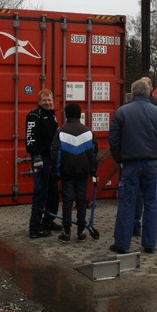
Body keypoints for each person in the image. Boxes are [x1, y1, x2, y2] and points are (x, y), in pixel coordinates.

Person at [108, 79, 157, 254]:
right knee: (152, 203)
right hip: (153, 164)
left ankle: (122, 243)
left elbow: (113, 139)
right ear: (149, 93)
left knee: (128, 202)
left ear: (133, 94)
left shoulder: (121, 112)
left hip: (130, 164)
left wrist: (119, 158)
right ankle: (150, 244)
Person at [50, 103, 98, 243]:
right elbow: (93, 155)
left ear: (66, 115)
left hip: (67, 172)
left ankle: (66, 232)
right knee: (81, 200)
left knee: (67, 200)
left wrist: (56, 173)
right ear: (80, 114)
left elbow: (55, 154)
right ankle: (81, 231)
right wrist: (93, 172)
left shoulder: (61, 132)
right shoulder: (88, 132)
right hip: (83, 173)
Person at [133, 77, 157, 237]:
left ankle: (135, 226)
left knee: (137, 196)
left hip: (134, 159)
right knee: (156, 195)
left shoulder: (128, 108)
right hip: (155, 159)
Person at [26, 88, 62, 238]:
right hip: (41, 159)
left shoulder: (52, 116)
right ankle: (35, 227)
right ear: (39, 102)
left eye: (50, 100)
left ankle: (48, 220)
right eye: (44, 100)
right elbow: (30, 138)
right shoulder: (34, 115)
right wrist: (36, 156)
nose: (48, 103)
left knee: (53, 192)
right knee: (40, 193)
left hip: (52, 160)